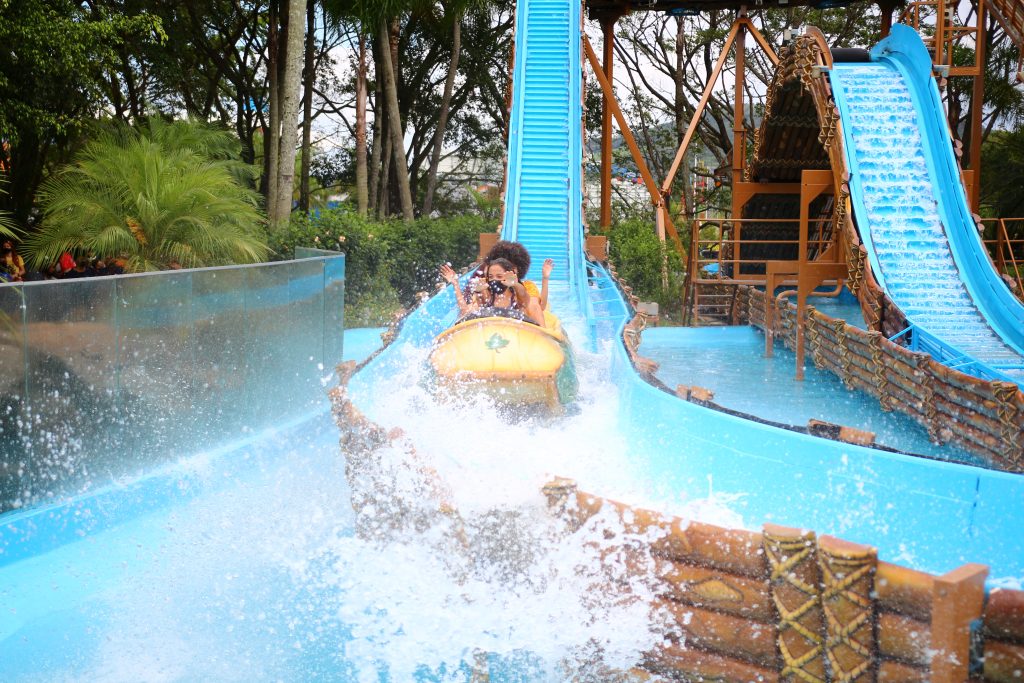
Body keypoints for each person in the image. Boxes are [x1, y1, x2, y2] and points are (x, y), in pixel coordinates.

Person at [440, 257, 544, 326]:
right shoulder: (487, 296)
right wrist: (455, 284)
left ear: (509, 276)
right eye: (490, 277)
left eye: (499, 276)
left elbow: (524, 297)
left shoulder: (516, 296)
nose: (494, 280)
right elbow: (464, 312)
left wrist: (515, 284)